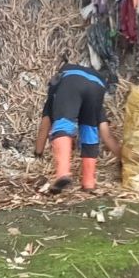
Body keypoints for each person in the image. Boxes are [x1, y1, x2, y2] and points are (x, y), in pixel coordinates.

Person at [34, 63, 121, 194]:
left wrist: (38, 153)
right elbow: (106, 134)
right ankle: (89, 183)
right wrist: (124, 159)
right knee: (90, 130)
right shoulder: (92, 82)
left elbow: (45, 124)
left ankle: (63, 174)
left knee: (63, 125)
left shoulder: (59, 85)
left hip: (71, 83)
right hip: (97, 87)